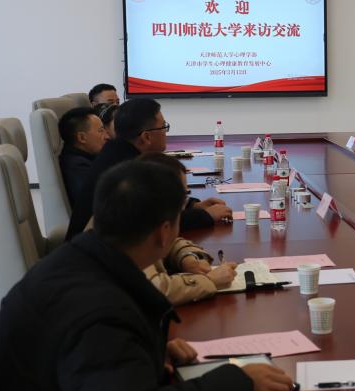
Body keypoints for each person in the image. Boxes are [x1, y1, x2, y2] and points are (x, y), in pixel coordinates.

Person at [0, 161, 295, 391]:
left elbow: (91, 364)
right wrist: (240, 383)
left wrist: (147, 347)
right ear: (165, 232)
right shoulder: (99, 313)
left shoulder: (76, 261)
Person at [66, 98, 230, 240]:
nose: (165, 132)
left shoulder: (117, 153)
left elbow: (157, 205)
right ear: (146, 137)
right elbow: (154, 221)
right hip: (94, 259)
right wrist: (206, 216)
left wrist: (192, 206)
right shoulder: (129, 170)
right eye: (163, 127)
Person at [137, 153, 238, 301]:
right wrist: (209, 280)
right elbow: (156, 291)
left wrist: (186, 257)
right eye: (182, 196)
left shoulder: (141, 216)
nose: (184, 205)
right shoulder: (129, 233)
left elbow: (169, 242)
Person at [57, 107, 108, 209]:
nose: (107, 136)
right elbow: (100, 203)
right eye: (101, 131)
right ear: (82, 138)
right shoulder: (77, 167)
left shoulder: (86, 156)